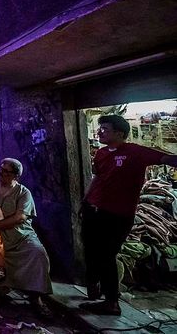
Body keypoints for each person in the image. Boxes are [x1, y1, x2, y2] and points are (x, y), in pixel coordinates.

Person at [79, 115, 177, 316]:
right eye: (100, 128)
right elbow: (97, 178)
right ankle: (94, 286)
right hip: (93, 209)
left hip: (117, 214)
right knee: (91, 250)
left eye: (105, 129)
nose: (100, 132)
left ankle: (111, 301)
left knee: (107, 255)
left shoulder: (135, 152)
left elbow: (167, 158)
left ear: (119, 133)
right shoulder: (101, 153)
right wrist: (85, 201)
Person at [0, 158, 52, 317]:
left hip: (20, 233)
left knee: (37, 252)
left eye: (6, 172)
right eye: (0, 170)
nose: (1, 174)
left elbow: (19, 218)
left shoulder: (23, 192)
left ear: (16, 175)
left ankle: (36, 297)